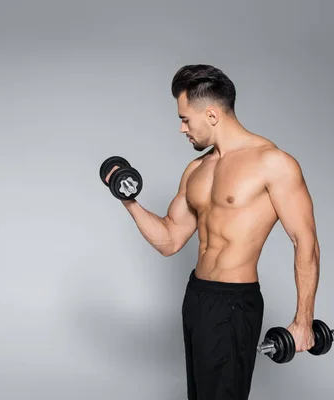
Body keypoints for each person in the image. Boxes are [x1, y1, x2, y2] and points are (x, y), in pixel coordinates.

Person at [104, 64, 320, 399]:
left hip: (235, 304)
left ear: (211, 114)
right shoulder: (196, 169)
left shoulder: (273, 163)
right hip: (196, 297)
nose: (181, 128)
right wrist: (127, 198)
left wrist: (303, 321)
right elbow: (170, 239)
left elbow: (305, 242)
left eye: (186, 119)